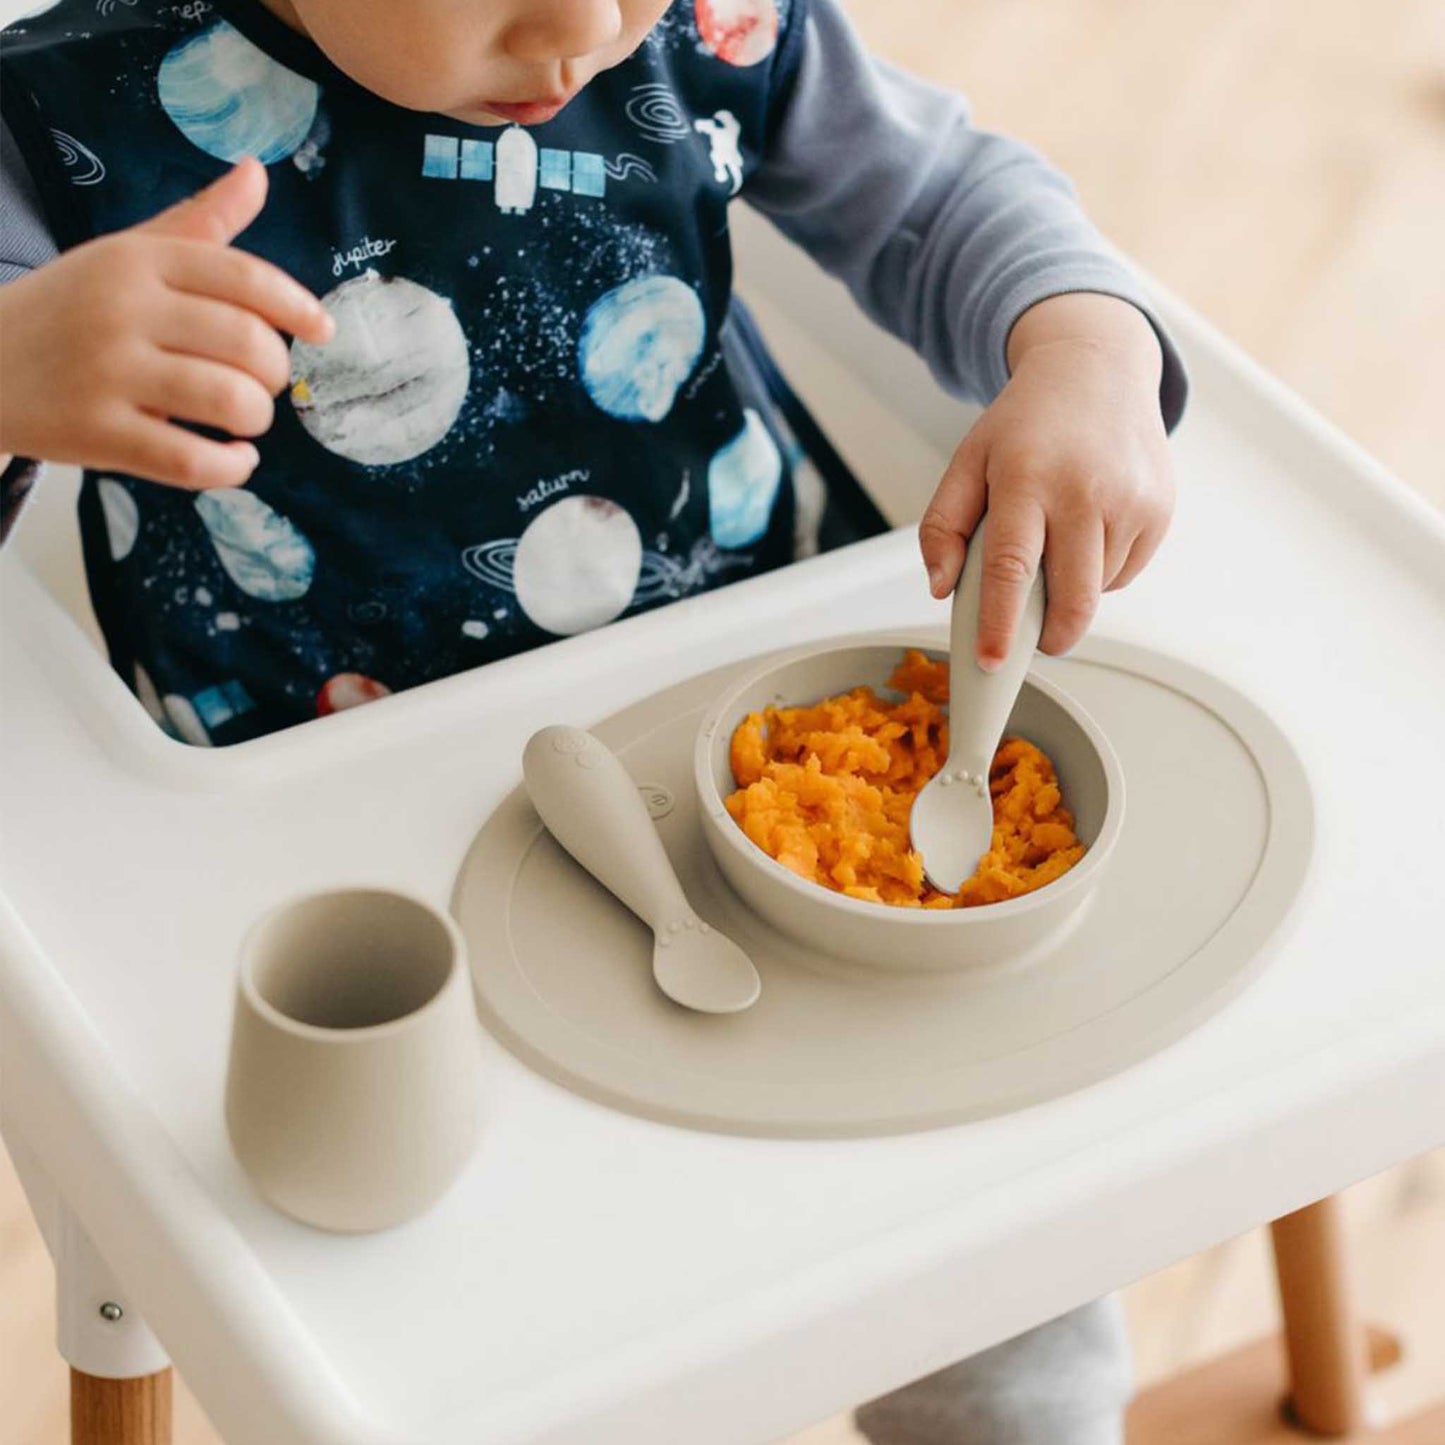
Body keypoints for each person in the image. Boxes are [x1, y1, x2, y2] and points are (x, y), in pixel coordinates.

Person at [0, 1, 1180, 1436]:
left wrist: (1084, 347)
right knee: (478, 1314)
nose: (582, 34)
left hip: (750, 768)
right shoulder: (57, 106)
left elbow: (935, 200)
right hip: (337, 860)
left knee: (989, 1252)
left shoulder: (707, 27)